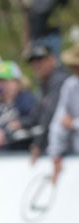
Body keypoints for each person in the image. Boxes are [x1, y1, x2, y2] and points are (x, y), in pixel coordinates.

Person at [23, 43, 70, 162]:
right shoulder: (45, 83)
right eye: (33, 61)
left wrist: (39, 144)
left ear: (52, 59)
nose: (36, 65)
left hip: (69, 147)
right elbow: (36, 114)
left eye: (40, 60)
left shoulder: (59, 80)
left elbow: (51, 114)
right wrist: (20, 123)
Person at [47, 42, 79, 182]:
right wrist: (56, 155)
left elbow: (67, 122)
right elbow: (59, 123)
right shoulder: (70, 86)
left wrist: (73, 123)